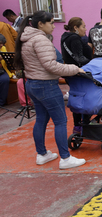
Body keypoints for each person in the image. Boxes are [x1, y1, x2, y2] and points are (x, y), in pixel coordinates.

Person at [14, 11, 86, 169]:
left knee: (41, 119)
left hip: (32, 84)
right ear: (41, 24)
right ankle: (65, 158)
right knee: (60, 121)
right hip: (46, 85)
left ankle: (42, 154)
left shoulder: (26, 38)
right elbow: (51, 66)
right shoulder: (41, 39)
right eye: (52, 23)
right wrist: (75, 69)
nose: (54, 26)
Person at [61, 17, 93, 133]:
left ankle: (79, 125)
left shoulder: (65, 37)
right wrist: (94, 64)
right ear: (76, 28)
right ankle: (82, 123)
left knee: (76, 97)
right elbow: (79, 58)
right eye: (83, 26)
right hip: (78, 73)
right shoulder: (74, 38)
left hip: (71, 73)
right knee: (84, 98)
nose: (85, 29)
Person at [0, 35, 15, 107]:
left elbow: (6, 62)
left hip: (2, 70)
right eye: (0, 43)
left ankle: (1, 103)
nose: (1, 45)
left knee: (5, 79)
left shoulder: (3, 48)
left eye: (2, 43)